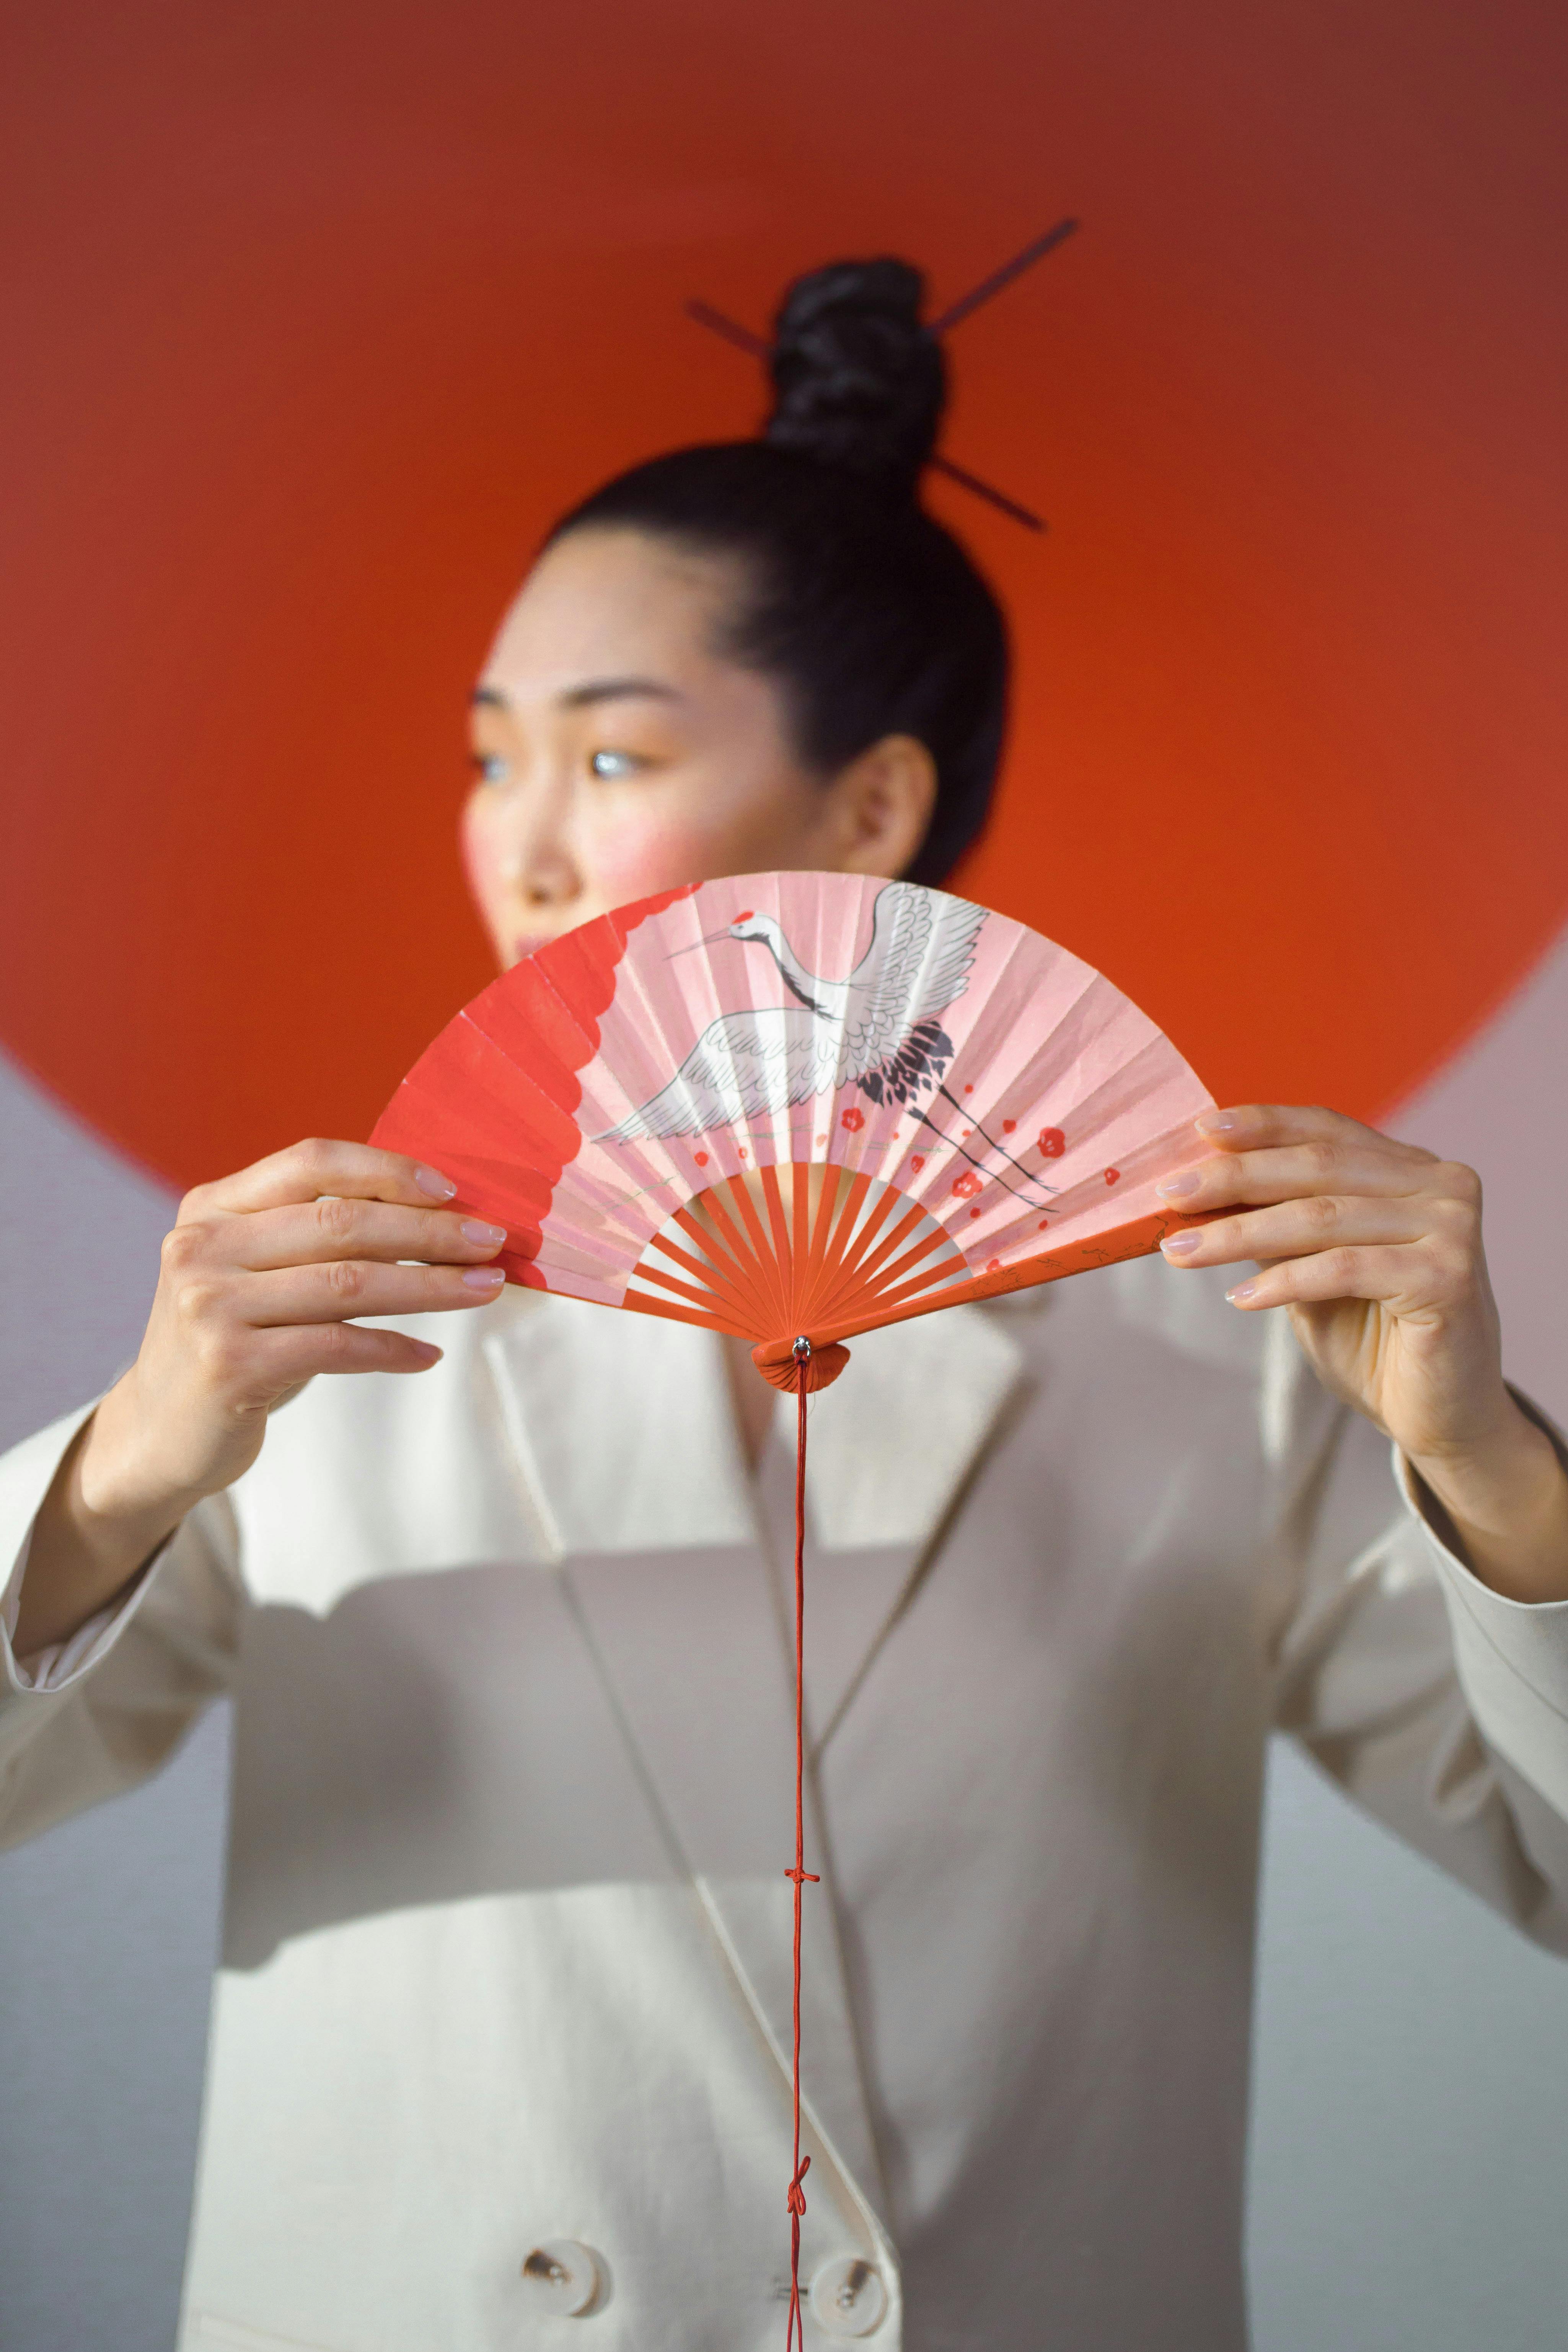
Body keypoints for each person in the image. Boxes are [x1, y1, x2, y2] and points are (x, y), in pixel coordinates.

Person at [4, 256, 1568, 2352]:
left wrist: (1491, 1467)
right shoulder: (314, 1318)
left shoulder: (1211, 1341)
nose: (522, 849)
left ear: (872, 810)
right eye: (489, 759)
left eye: (610, 755)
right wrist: (117, 1469)